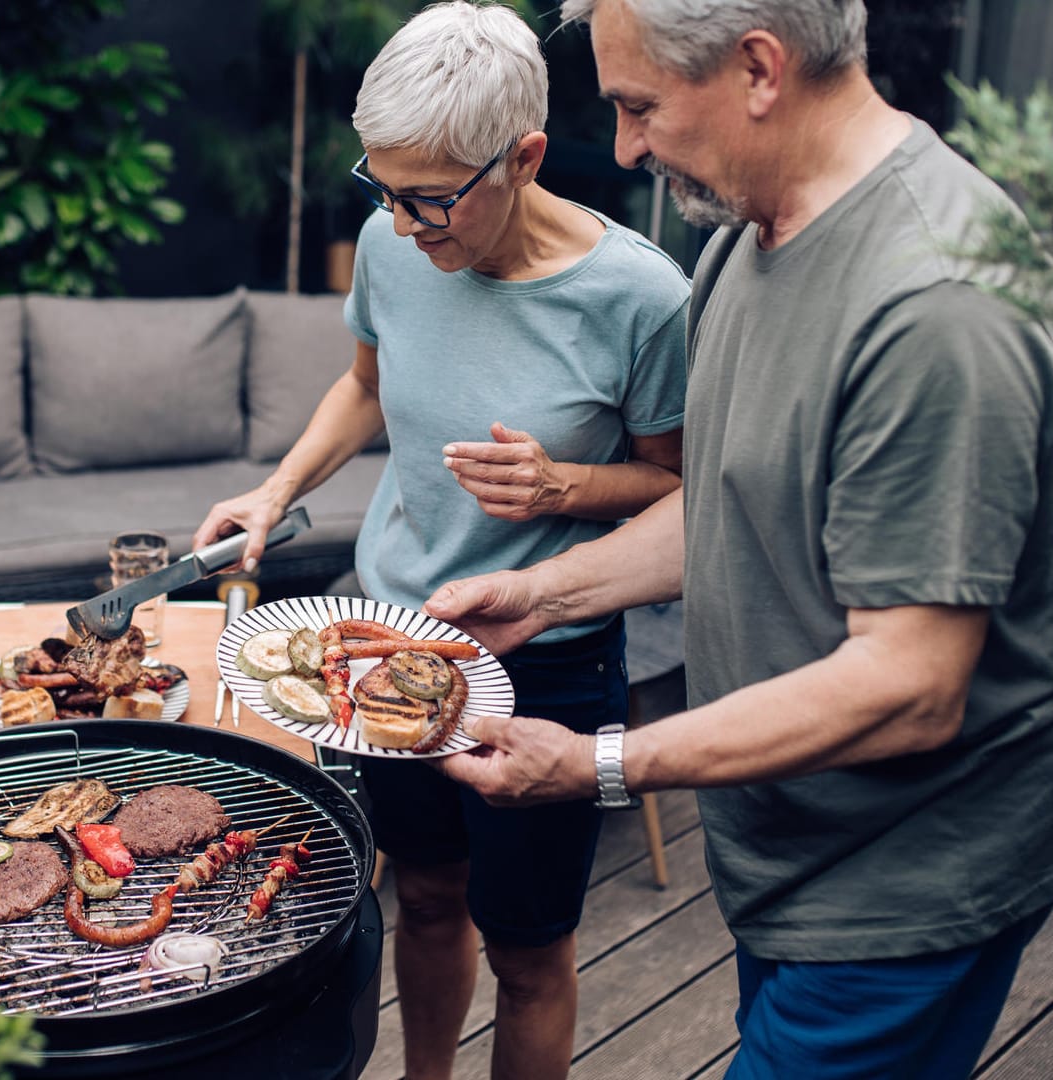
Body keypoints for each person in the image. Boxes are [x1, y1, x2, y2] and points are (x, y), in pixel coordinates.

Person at [426, 0, 1053, 1076]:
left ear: (757, 70)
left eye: (640, 106)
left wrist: (599, 763)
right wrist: (544, 598)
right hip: (785, 849)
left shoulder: (939, 308)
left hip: (904, 885)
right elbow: (736, 500)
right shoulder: (747, 230)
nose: (628, 147)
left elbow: (911, 680)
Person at [191, 4, 690, 1076]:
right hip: (386, 642)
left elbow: (685, 491)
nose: (406, 227)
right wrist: (276, 492)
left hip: (546, 667)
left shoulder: (644, 298)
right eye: (385, 190)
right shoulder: (391, 240)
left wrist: (569, 482)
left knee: (529, 952)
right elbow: (364, 386)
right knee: (421, 899)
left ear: (525, 158)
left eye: (430, 199)